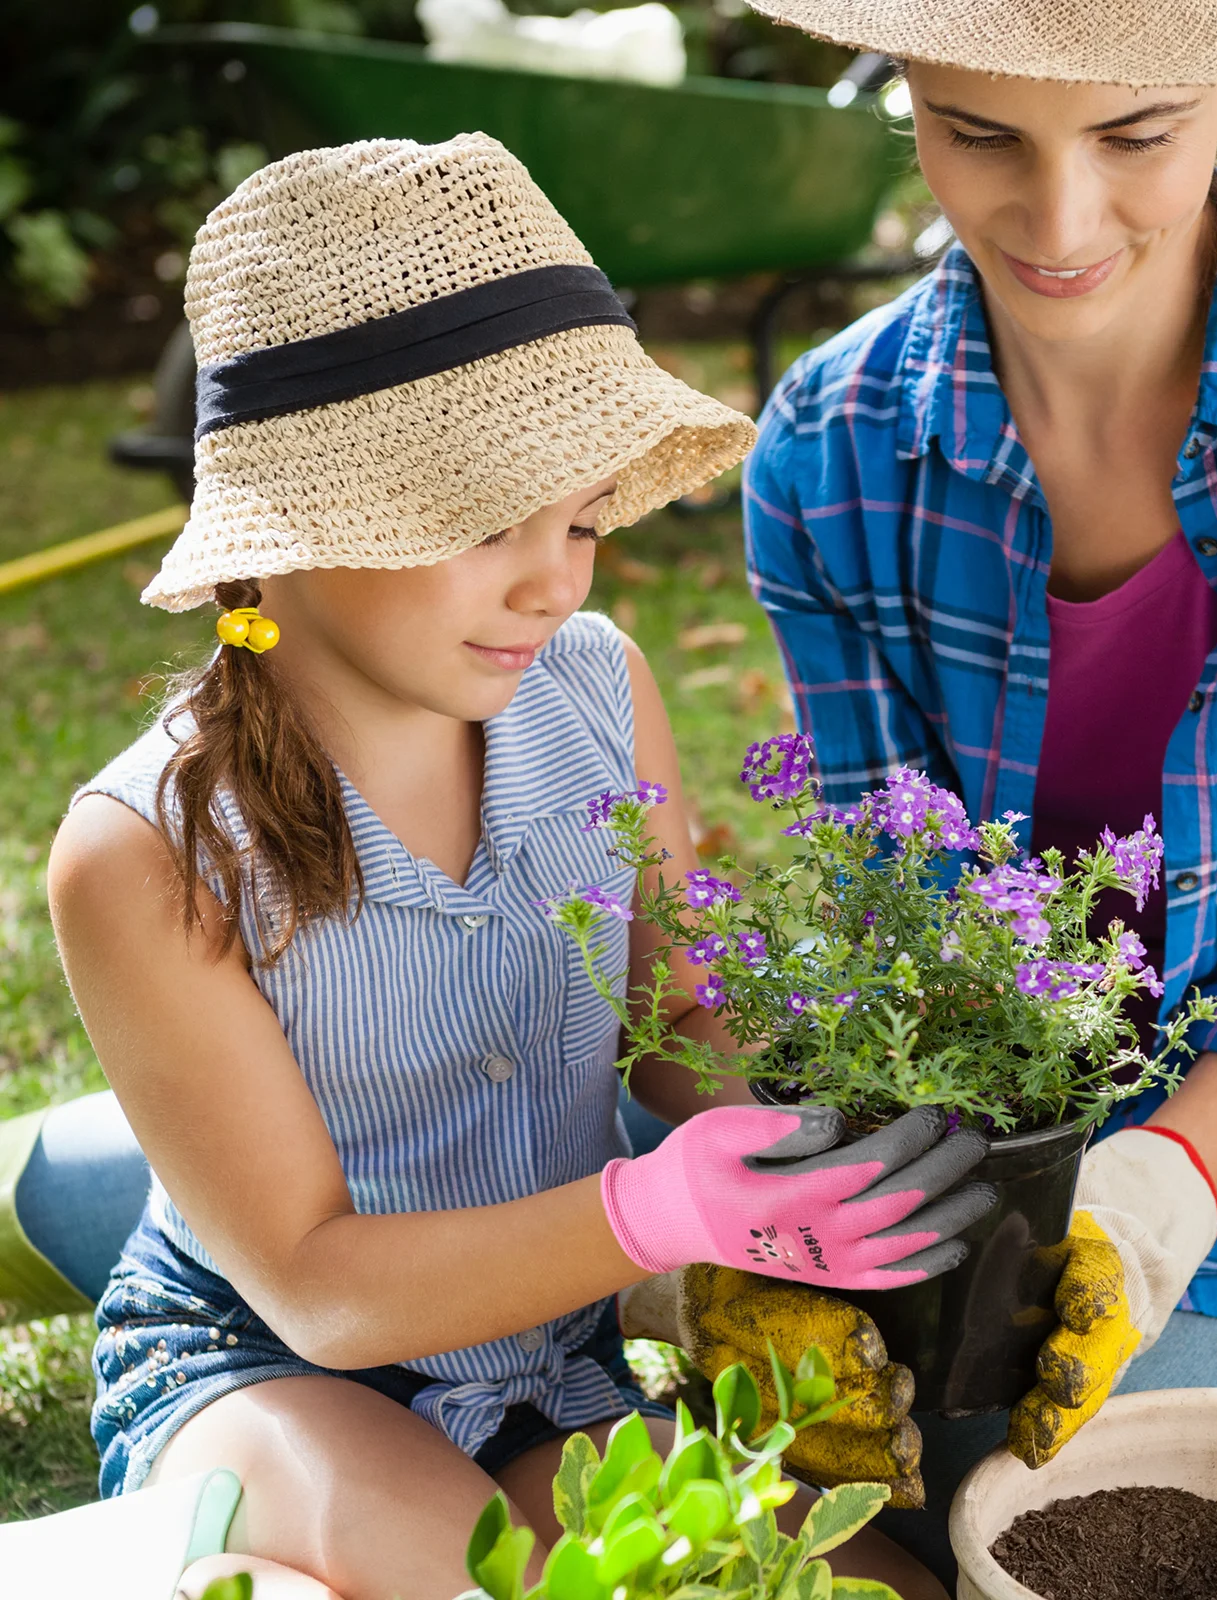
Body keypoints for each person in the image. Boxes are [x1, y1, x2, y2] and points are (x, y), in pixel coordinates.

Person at [38, 134, 994, 1600]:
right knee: (490, 1586)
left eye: (584, 521)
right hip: (275, 1362)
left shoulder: (596, 690)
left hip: (556, 1343)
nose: (555, 580)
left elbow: (685, 1043)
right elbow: (316, 1283)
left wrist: (851, 1167)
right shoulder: (149, 851)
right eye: (487, 523)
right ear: (298, 522)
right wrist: (653, 1215)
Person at [733, 0, 1217, 1581]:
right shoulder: (828, 447)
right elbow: (905, 903)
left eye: (1135, 135)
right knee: (815, 1396)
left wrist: (1163, 1178)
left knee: (988, 1475)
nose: (1060, 218)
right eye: (980, 136)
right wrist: (838, 1205)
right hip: (1003, 1123)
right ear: (910, 99)